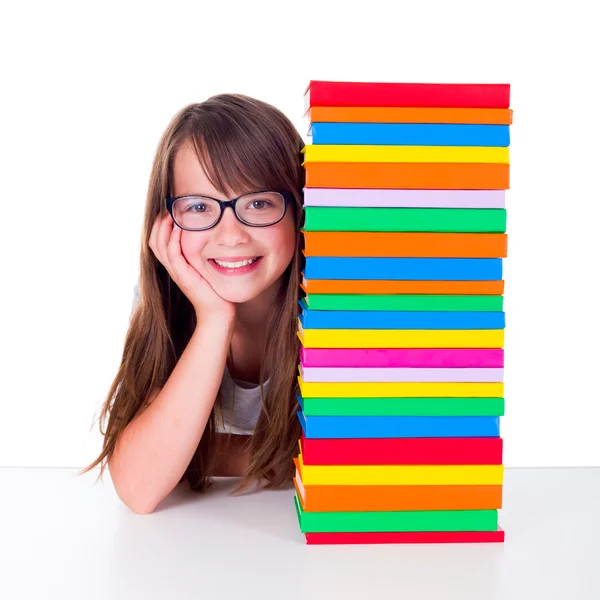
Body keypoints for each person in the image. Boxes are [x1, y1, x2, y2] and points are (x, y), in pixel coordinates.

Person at [79, 94, 305, 514]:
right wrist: (215, 318)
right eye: (200, 206)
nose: (231, 234)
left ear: (299, 209)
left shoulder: (340, 307)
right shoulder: (165, 302)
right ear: (167, 221)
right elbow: (139, 488)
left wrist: (206, 450)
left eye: (258, 203)